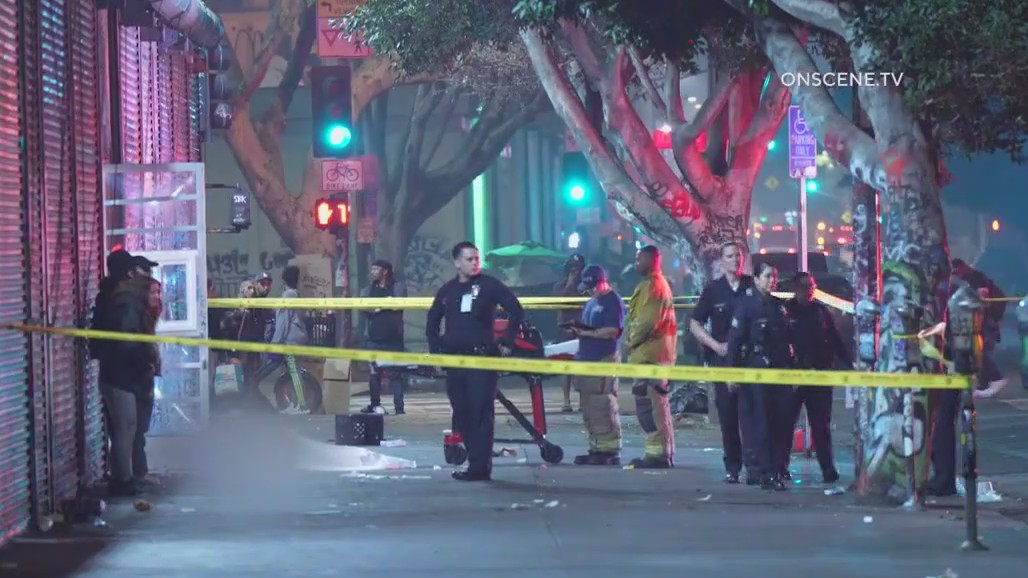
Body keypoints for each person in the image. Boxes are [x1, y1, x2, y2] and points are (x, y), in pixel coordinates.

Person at [426, 241, 525, 482]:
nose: (474, 263)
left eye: (476, 259)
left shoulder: (489, 286)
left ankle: (480, 467)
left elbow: (516, 310)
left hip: (481, 360)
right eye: (469, 259)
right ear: (457, 262)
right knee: (462, 413)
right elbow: (432, 321)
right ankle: (474, 459)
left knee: (481, 412)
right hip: (455, 362)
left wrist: (507, 342)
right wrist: (435, 351)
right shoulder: (448, 290)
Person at [689, 242, 757, 484]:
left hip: (749, 362)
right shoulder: (713, 290)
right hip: (722, 361)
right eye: (730, 256)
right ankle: (733, 467)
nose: (734, 260)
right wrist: (715, 345)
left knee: (752, 417)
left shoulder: (752, 285)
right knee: (728, 419)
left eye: (738, 256)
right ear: (721, 260)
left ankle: (755, 466)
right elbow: (695, 324)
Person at [727, 262, 794, 491]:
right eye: (767, 276)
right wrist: (731, 373)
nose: (771, 281)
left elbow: (786, 342)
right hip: (756, 372)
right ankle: (765, 472)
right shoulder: (747, 306)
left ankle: (772, 468)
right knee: (761, 424)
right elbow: (735, 342)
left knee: (780, 423)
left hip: (779, 373)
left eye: (774, 276)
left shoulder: (778, 307)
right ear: (756, 279)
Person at [101, 275, 163, 496]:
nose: (157, 296)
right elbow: (128, 344)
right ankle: (122, 480)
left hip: (128, 377)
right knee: (125, 429)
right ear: (142, 293)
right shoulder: (130, 312)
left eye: (159, 292)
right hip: (120, 377)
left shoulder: (141, 314)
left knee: (129, 429)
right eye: (153, 292)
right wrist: (144, 361)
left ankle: (125, 477)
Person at [785, 272, 849, 485]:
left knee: (821, 426)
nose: (809, 290)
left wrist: (849, 364)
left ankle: (827, 469)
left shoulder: (821, 312)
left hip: (819, 375)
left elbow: (835, 340)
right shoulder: (787, 311)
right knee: (786, 424)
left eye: (811, 285)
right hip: (793, 376)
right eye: (805, 286)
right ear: (796, 289)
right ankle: (780, 466)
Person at [565, 265, 625, 465]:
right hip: (586, 358)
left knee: (602, 403)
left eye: (593, 286)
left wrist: (587, 333)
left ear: (602, 281)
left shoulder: (612, 301)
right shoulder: (591, 302)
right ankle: (597, 446)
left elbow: (612, 331)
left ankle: (609, 449)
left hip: (603, 357)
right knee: (588, 405)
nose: (590, 290)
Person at [625, 245, 678, 469]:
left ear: (651, 260)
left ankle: (658, 455)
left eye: (639, 259)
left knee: (650, 407)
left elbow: (646, 321)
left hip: (650, 355)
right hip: (654, 355)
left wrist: (630, 341)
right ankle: (661, 451)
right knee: (656, 405)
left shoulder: (653, 286)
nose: (636, 263)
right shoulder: (655, 285)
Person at [248, 265, 311, 414]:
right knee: (292, 371)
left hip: (291, 340)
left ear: (284, 280)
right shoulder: (296, 294)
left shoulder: (288, 296)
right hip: (297, 337)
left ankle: (302, 405)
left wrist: (276, 343)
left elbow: (283, 322)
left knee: (294, 371)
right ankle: (295, 404)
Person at [360, 259, 408, 415]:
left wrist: (382, 306)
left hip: (393, 338)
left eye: (376, 269)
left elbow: (398, 305)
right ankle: (375, 405)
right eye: (372, 269)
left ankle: (399, 409)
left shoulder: (397, 287)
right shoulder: (368, 290)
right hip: (374, 338)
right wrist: (382, 306)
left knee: (396, 375)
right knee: (374, 374)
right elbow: (365, 308)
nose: (372, 272)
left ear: (385, 271)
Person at [554, 254, 586, 412]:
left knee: (581, 367)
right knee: (566, 367)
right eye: (573, 268)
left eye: (578, 268)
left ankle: (582, 401)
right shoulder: (560, 284)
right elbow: (562, 300)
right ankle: (566, 401)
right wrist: (570, 283)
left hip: (582, 329)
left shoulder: (586, 284)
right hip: (565, 328)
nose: (576, 271)